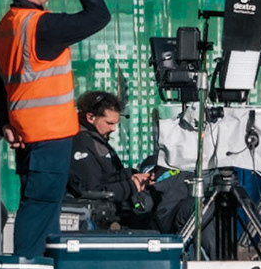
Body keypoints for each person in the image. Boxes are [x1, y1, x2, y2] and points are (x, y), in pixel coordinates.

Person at [0, 0, 107, 260]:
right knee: (39, 207)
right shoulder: (42, 26)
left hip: (28, 134)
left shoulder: (6, 26)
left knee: (45, 206)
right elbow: (98, 15)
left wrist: (5, 124)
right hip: (49, 134)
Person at [67, 91, 193, 234]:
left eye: (115, 123)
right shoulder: (81, 145)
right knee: (178, 186)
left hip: (122, 203)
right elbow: (93, 192)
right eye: (109, 123)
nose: (113, 129)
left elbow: (108, 177)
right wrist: (132, 185)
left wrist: (133, 175)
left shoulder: (96, 141)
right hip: (114, 212)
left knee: (178, 181)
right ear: (90, 117)